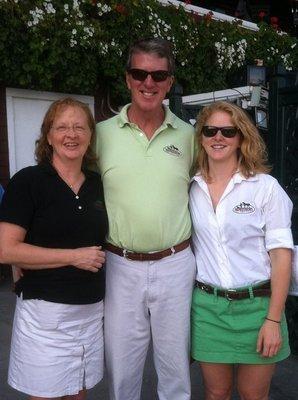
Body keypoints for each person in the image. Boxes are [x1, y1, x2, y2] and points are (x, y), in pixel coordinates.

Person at [95, 38, 196, 400]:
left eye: (158, 75)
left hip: (176, 263)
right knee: (121, 369)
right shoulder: (101, 135)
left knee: (175, 370)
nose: (148, 83)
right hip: (121, 265)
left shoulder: (190, 136)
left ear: (169, 82)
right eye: (140, 73)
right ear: (127, 79)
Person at [0, 97, 108, 400]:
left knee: (77, 394)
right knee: (45, 395)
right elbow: (5, 250)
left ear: (90, 136)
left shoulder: (98, 184)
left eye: (79, 127)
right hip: (44, 317)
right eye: (61, 127)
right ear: (48, 136)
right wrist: (74, 256)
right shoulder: (29, 182)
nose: (70, 135)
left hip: (89, 313)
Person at [189, 100, 294, 400]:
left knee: (253, 395)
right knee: (216, 393)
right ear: (201, 137)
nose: (218, 137)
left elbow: (281, 256)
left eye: (228, 131)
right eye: (210, 130)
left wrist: (273, 319)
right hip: (209, 309)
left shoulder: (265, 187)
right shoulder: (191, 187)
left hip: (258, 309)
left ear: (241, 137)